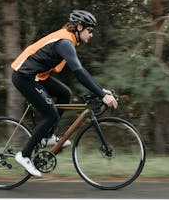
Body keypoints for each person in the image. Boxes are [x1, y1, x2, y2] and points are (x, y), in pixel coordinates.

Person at [10, 10, 119, 177]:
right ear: (79, 26)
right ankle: (24, 155)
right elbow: (79, 72)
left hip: (37, 76)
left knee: (64, 94)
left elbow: (81, 70)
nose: (91, 35)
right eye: (89, 31)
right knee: (51, 115)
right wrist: (101, 95)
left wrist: (100, 90)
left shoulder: (69, 41)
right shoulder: (65, 42)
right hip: (25, 76)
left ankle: (48, 136)